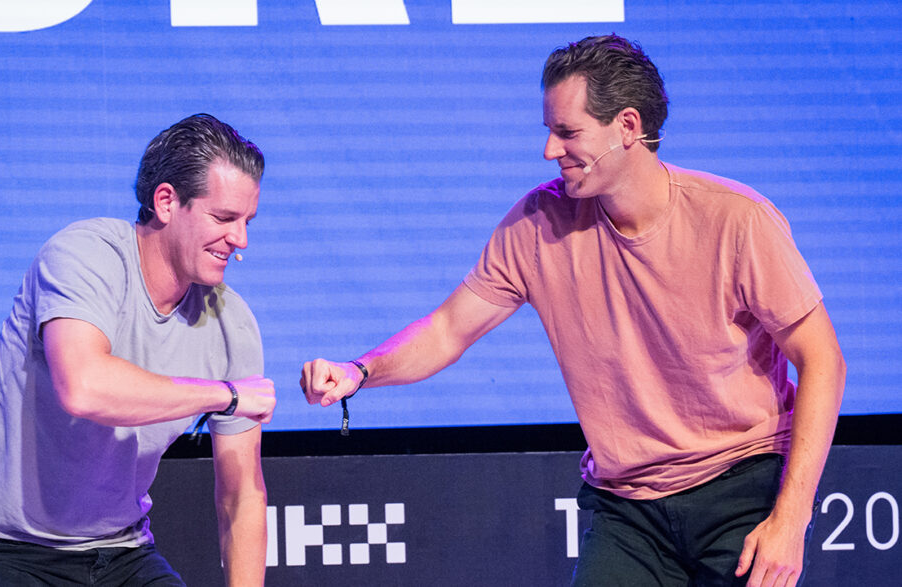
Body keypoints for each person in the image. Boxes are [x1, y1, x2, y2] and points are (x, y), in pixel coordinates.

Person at [301, 35, 845, 587]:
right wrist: (359, 371)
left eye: (567, 132)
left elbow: (823, 360)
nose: (549, 150)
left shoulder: (736, 220)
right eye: (548, 131)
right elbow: (447, 329)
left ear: (627, 126)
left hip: (744, 486)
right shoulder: (539, 224)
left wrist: (791, 519)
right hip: (628, 508)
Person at [0, 113, 276, 586]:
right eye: (224, 218)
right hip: (2, 548)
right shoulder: (83, 255)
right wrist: (225, 394)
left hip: (121, 552)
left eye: (246, 221)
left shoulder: (230, 322)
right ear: (166, 202)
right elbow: (84, 388)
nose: (240, 240)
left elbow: (241, 496)